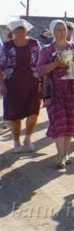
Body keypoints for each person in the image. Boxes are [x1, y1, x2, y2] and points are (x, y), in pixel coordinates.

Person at [37, 20, 74, 169]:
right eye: (59, 29)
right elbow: (40, 69)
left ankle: (65, 154)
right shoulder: (46, 50)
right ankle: (60, 156)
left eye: (64, 29)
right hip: (54, 90)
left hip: (73, 88)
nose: (62, 32)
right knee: (59, 120)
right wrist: (55, 64)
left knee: (70, 122)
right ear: (53, 32)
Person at [0, 20, 41, 153]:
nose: (20, 33)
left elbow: (41, 62)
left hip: (33, 82)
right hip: (12, 84)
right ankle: (16, 141)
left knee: (33, 114)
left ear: (26, 30)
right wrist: (1, 84)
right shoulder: (7, 45)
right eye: (17, 31)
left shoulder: (34, 43)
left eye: (22, 30)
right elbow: (1, 66)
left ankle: (28, 138)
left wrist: (45, 82)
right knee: (15, 116)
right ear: (12, 32)